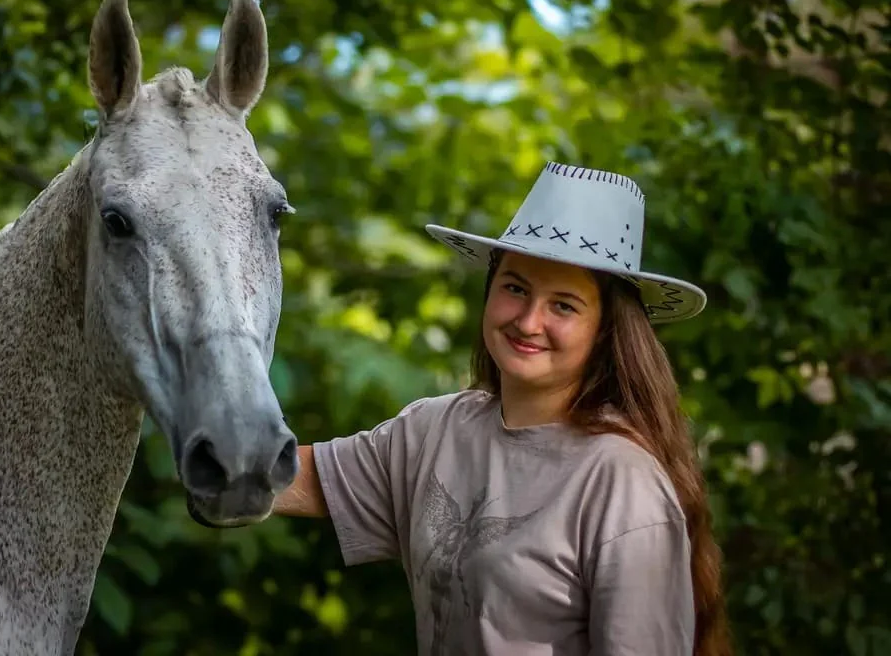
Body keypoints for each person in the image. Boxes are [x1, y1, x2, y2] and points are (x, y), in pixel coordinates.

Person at [274, 160, 732, 656]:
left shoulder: (621, 481)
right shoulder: (437, 429)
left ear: (606, 329)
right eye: (516, 288)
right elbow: (274, 478)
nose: (529, 321)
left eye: (564, 305)